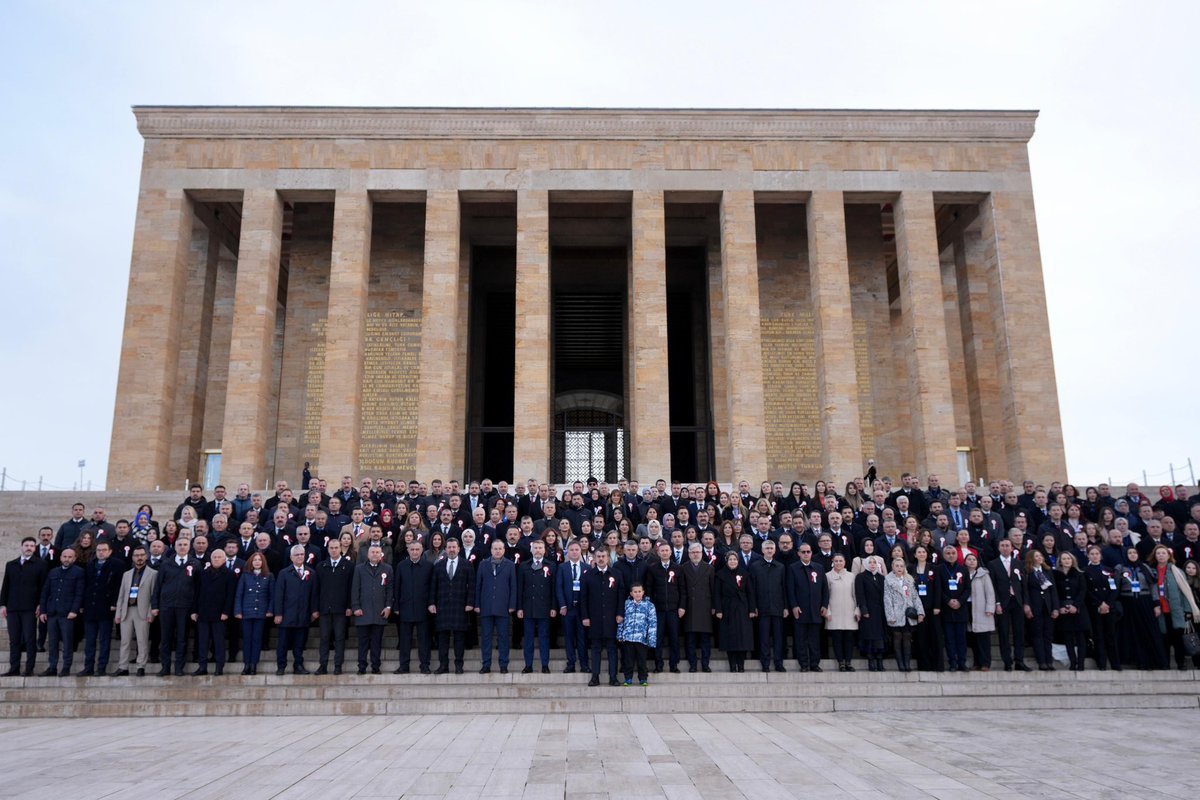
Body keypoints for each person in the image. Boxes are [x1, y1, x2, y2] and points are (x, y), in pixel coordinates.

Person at [152, 537, 200, 677]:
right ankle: (165, 667)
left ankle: (179, 667)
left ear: (189, 546)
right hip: (166, 606)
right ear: (175, 547)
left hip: (185, 607)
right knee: (165, 638)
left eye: (185, 544)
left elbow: (197, 589)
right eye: (180, 544)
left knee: (182, 638)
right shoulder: (166, 564)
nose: (182, 547)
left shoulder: (195, 564)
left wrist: (194, 609)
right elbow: (158, 586)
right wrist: (155, 605)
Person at [1, 537, 48, 676]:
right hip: (13, 607)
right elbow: (5, 586)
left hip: (30, 608)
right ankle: (14, 668)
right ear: (21, 546)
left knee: (29, 639)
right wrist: (3, 604)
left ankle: (29, 668)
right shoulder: (11, 564)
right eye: (26, 545)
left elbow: (43, 587)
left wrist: (41, 604)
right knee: (14, 640)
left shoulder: (41, 564)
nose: (29, 548)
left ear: (35, 548)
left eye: (32, 546)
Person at [1149, 544, 1200, 670]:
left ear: (1169, 556)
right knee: (1164, 639)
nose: (1161, 556)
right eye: (1158, 553)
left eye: (1163, 553)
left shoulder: (1177, 571)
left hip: (1176, 611)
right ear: (1155, 556)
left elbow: (1185, 592)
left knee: (1178, 640)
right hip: (1161, 611)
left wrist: (1187, 610)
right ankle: (1165, 663)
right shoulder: (1152, 571)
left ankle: (1181, 663)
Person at [581, 548, 625, 686]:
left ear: (608, 558)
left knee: (612, 648)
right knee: (596, 648)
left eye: (603, 556)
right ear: (594, 558)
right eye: (598, 556)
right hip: (595, 618)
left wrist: (620, 613)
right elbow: (583, 598)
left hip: (612, 618)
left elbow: (621, 596)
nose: (601, 559)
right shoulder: (588, 575)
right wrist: (585, 616)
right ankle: (595, 677)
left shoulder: (616, 574)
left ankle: (613, 677)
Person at [1117, 547, 1167, 669]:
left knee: (1148, 631)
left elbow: (1153, 586)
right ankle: (1139, 661)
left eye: (1134, 552)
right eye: (1130, 553)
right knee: (1133, 633)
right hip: (1128, 603)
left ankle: (1155, 661)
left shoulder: (1145, 567)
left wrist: (1156, 605)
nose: (1132, 555)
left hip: (1145, 602)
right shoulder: (1120, 568)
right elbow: (1116, 588)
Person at [430, 537, 473, 675]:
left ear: (459, 549)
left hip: (460, 607)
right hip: (442, 607)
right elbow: (433, 587)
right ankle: (443, 665)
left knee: (459, 639)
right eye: (449, 547)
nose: (452, 550)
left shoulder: (467, 565)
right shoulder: (438, 565)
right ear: (446, 549)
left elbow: (472, 586)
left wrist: (470, 603)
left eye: (454, 547)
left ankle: (459, 665)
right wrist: (431, 603)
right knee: (442, 639)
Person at [39, 548, 84, 677]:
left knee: (67, 641)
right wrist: (43, 610)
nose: (67, 559)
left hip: (67, 613)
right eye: (64, 556)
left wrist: (74, 610)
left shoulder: (78, 572)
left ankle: (66, 667)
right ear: (60, 558)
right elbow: (45, 592)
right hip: (52, 612)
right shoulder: (53, 572)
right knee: (52, 642)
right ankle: (52, 667)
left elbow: (79, 593)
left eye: (70, 557)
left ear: (74, 558)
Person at [987, 537, 1030, 672]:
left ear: (1012, 548)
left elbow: (1024, 585)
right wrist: (997, 603)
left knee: (1019, 632)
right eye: (1003, 545)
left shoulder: (1019, 563)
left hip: (1017, 601)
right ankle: (1007, 661)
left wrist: (1026, 603)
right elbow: (992, 585)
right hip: (1003, 602)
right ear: (999, 548)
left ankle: (1019, 660)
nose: (1005, 548)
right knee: (1004, 633)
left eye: (1007, 545)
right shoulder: (993, 564)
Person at [113, 546, 156, 677]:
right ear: (132, 557)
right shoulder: (127, 574)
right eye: (136, 555)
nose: (139, 558)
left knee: (142, 641)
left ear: (146, 556)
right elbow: (121, 595)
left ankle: (141, 666)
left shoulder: (153, 574)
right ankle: (123, 667)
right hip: (127, 610)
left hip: (142, 611)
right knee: (125, 641)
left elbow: (153, 595)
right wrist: (118, 613)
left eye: (142, 555)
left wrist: (150, 613)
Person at [313, 537, 354, 675]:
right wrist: (315, 608)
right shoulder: (321, 566)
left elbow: (350, 588)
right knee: (324, 638)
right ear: (328, 549)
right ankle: (323, 665)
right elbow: (316, 589)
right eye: (331, 548)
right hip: (324, 609)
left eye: (336, 547)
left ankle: (338, 665)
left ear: (341, 548)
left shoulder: (348, 566)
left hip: (341, 609)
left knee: (339, 638)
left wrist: (349, 606)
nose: (334, 550)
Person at [351, 542, 394, 675]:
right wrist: (356, 607)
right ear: (367, 554)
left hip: (379, 611)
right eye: (372, 552)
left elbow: (389, 589)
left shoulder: (388, 569)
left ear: (381, 554)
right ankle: (362, 666)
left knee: (376, 641)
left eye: (377, 552)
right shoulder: (359, 569)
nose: (375, 554)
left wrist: (388, 607)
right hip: (363, 611)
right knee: (363, 642)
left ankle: (376, 666)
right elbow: (355, 589)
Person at [393, 539, 434, 675]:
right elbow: (397, 587)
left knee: (424, 640)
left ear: (422, 550)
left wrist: (431, 604)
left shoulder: (429, 566)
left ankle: (425, 665)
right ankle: (404, 666)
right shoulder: (401, 566)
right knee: (405, 640)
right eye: (412, 549)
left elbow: (432, 588)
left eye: (417, 549)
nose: (415, 552)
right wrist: (396, 606)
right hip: (405, 608)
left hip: (423, 609)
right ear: (408, 550)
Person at [476, 538, 517, 674]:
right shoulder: (483, 564)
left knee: (503, 638)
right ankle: (486, 664)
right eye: (495, 548)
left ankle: (503, 664)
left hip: (503, 607)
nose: (498, 551)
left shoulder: (510, 565)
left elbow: (513, 586)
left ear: (504, 550)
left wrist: (512, 604)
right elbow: (478, 586)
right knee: (486, 637)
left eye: (500, 548)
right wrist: (477, 604)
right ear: (491, 550)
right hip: (486, 606)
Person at [193, 548, 236, 676]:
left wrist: (226, 612)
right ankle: (202, 667)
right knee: (202, 641)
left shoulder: (230, 574)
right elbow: (197, 593)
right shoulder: (202, 573)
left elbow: (230, 595)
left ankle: (219, 667)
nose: (216, 559)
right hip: (203, 613)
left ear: (224, 559)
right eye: (214, 557)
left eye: (219, 557)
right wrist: (194, 610)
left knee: (219, 642)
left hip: (220, 614)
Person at [788, 542, 829, 672]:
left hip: (816, 609)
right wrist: (794, 606)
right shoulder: (793, 568)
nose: (806, 554)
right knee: (800, 639)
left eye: (808, 552)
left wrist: (824, 605)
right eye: (803, 552)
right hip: (800, 609)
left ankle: (814, 663)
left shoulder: (819, 568)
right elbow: (790, 589)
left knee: (814, 639)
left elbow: (825, 589)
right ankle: (804, 664)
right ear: (799, 553)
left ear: (811, 553)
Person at [749, 539, 788, 672]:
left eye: (771, 548)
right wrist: (753, 607)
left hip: (778, 608)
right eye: (767, 548)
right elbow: (752, 589)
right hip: (762, 608)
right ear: (762, 550)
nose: (769, 550)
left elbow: (784, 588)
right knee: (764, 638)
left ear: (775, 550)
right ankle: (765, 663)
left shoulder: (780, 567)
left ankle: (778, 663)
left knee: (778, 638)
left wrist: (785, 607)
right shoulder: (755, 566)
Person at [714, 550, 756, 673]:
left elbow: (750, 593)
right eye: (730, 559)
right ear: (727, 561)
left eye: (735, 559)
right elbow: (717, 594)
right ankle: (732, 665)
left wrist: (752, 609)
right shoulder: (720, 574)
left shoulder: (745, 573)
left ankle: (741, 665)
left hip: (742, 608)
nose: (733, 562)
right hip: (727, 608)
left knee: (743, 637)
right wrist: (718, 609)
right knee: (730, 638)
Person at [518, 539, 556, 674]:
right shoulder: (523, 566)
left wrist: (553, 607)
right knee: (528, 638)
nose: (538, 550)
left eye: (540, 548)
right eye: (536, 548)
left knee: (544, 638)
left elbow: (553, 589)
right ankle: (528, 665)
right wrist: (520, 608)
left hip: (545, 608)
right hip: (528, 607)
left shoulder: (551, 566)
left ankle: (545, 664)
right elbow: (520, 588)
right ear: (531, 550)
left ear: (544, 550)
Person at [1083, 544, 1122, 671]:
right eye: (1092, 554)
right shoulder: (1085, 571)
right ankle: (1102, 663)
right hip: (1095, 607)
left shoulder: (1109, 570)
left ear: (1101, 556)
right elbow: (1087, 590)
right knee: (1098, 635)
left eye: (1097, 554)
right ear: (1088, 556)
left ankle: (1115, 663)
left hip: (1109, 607)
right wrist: (1099, 603)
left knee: (1111, 635)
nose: (1095, 556)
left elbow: (1114, 588)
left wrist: (1108, 604)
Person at [234, 552, 273, 675]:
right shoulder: (245, 576)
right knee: (247, 639)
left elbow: (272, 596)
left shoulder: (269, 576)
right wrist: (238, 611)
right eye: (255, 560)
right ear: (251, 562)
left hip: (261, 613)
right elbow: (239, 594)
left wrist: (270, 610)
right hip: (246, 613)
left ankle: (253, 665)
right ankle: (246, 665)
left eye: (259, 560)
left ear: (263, 562)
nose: (257, 562)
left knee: (257, 639)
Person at [679, 543, 716, 673]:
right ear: (688, 554)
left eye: (697, 552)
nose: (695, 554)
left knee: (705, 640)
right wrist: (682, 607)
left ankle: (705, 664)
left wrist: (714, 607)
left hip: (705, 607)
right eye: (692, 552)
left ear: (701, 553)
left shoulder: (709, 568)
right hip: (689, 607)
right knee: (690, 640)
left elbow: (713, 589)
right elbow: (682, 590)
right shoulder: (683, 568)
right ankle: (693, 664)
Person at [556, 540, 591, 674]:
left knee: (582, 638)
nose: (575, 552)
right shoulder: (562, 568)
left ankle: (584, 664)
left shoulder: (587, 567)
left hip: (582, 610)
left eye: (577, 550)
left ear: (580, 551)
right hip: (568, 609)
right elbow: (558, 587)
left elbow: (589, 590)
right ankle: (570, 663)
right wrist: (563, 605)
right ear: (568, 552)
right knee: (569, 637)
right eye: (572, 550)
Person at [883, 556, 923, 672]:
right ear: (893, 567)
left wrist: (920, 612)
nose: (899, 568)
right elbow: (887, 599)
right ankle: (900, 663)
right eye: (897, 566)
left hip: (908, 614)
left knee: (907, 638)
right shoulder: (888, 580)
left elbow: (915, 597)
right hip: (896, 613)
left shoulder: (909, 580)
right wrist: (890, 616)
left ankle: (907, 663)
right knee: (897, 637)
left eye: (901, 566)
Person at [1023, 549, 1061, 671]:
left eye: (1040, 556)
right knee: (1037, 634)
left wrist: (1055, 607)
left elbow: (1053, 590)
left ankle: (1049, 661)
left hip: (1048, 607)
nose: (1039, 558)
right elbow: (1026, 590)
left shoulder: (1048, 571)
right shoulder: (1028, 572)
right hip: (1035, 606)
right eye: (1036, 556)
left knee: (1048, 635)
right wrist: (1027, 604)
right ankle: (1042, 661)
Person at [1053, 551, 1089, 671]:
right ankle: (1073, 662)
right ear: (1060, 561)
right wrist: (1059, 607)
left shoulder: (1079, 574)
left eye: (1069, 558)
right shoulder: (1055, 575)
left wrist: (1076, 606)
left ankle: (1081, 663)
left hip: (1078, 609)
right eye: (1064, 559)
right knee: (1068, 638)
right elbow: (1055, 593)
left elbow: (1082, 591)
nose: (1067, 561)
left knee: (1080, 638)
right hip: (1064, 610)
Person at [937, 546, 971, 672]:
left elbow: (968, 588)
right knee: (949, 638)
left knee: (961, 638)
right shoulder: (940, 569)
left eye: (953, 553)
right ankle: (952, 662)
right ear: (943, 555)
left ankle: (962, 662)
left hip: (960, 609)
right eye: (948, 553)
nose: (951, 555)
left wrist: (960, 601)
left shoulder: (963, 569)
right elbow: (938, 588)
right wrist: (948, 601)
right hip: (947, 609)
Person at [617, 583, 657, 685]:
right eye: (635, 592)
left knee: (642, 660)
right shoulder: (626, 604)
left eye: (639, 591)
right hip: (628, 637)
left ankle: (643, 678)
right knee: (628, 660)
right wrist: (620, 634)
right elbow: (621, 621)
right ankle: (628, 678)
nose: (637, 594)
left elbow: (652, 623)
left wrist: (651, 639)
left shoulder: (649, 606)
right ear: (631, 593)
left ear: (643, 592)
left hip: (642, 638)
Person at [825, 553, 859, 672]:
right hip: (834, 611)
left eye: (841, 561)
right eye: (836, 561)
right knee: (837, 638)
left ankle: (848, 662)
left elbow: (855, 595)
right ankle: (841, 662)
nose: (838, 563)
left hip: (849, 611)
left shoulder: (851, 576)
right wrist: (827, 611)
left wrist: (857, 610)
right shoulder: (827, 576)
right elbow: (826, 595)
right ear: (832, 562)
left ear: (845, 562)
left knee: (849, 639)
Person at [911, 545, 942, 671]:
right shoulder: (910, 569)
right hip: (918, 608)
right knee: (921, 637)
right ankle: (924, 665)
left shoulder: (934, 569)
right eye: (919, 552)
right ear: (915, 555)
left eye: (924, 552)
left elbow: (938, 588)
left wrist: (937, 605)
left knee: (935, 636)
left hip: (932, 607)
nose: (922, 554)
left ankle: (937, 664)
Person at [855, 555, 887, 671]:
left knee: (879, 636)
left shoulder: (881, 578)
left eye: (875, 562)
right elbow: (860, 594)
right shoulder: (861, 577)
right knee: (869, 636)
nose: (872, 564)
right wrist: (864, 610)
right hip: (868, 611)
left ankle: (879, 659)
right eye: (870, 562)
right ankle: (871, 660)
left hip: (880, 612)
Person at [965, 552, 995, 671]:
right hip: (968, 607)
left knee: (983, 638)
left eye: (974, 559)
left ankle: (985, 663)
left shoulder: (983, 575)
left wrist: (990, 608)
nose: (971, 561)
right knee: (973, 639)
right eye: (969, 559)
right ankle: (977, 662)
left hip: (981, 609)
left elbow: (990, 592)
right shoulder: (963, 574)